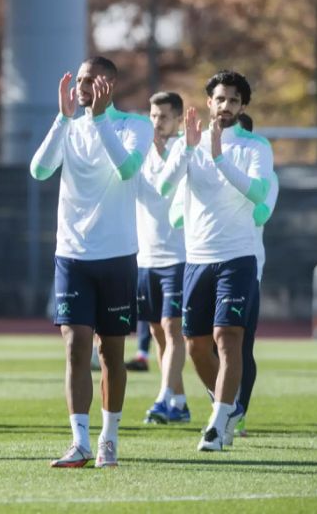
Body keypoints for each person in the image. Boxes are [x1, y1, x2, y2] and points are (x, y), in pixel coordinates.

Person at [30, 56, 153, 468]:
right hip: (72, 255)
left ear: (110, 83)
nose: (82, 86)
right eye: (79, 80)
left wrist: (100, 121)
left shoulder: (134, 125)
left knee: (111, 353)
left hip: (117, 256)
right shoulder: (70, 126)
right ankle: (79, 442)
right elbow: (39, 170)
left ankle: (109, 439)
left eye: (91, 80)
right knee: (75, 346)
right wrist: (62, 120)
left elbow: (127, 169)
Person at [157, 70, 273, 451]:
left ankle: (217, 423)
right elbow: (164, 187)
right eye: (220, 99)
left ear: (243, 107)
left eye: (234, 100)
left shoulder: (255, 147)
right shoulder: (189, 144)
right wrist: (190, 149)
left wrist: (220, 156)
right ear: (208, 102)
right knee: (195, 346)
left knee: (229, 339)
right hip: (197, 260)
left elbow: (257, 194)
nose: (226, 106)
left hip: (238, 258)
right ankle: (228, 406)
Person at [136, 92, 189, 424]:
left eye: (165, 117)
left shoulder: (186, 149)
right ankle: (179, 402)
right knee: (157, 332)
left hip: (178, 256)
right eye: (154, 116)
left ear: (179, 119)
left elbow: (171, 188)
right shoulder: (139, 151)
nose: (157, 123)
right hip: (145, 257)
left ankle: (162, 398)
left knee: (173, 328)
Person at [231, 112, 279, 438]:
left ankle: (240, 414)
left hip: (247, 266)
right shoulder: (209, 161)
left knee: (241, 345)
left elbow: (261, 213)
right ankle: (223, 406)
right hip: (206, 262)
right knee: (202, 343)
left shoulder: (267, 178)